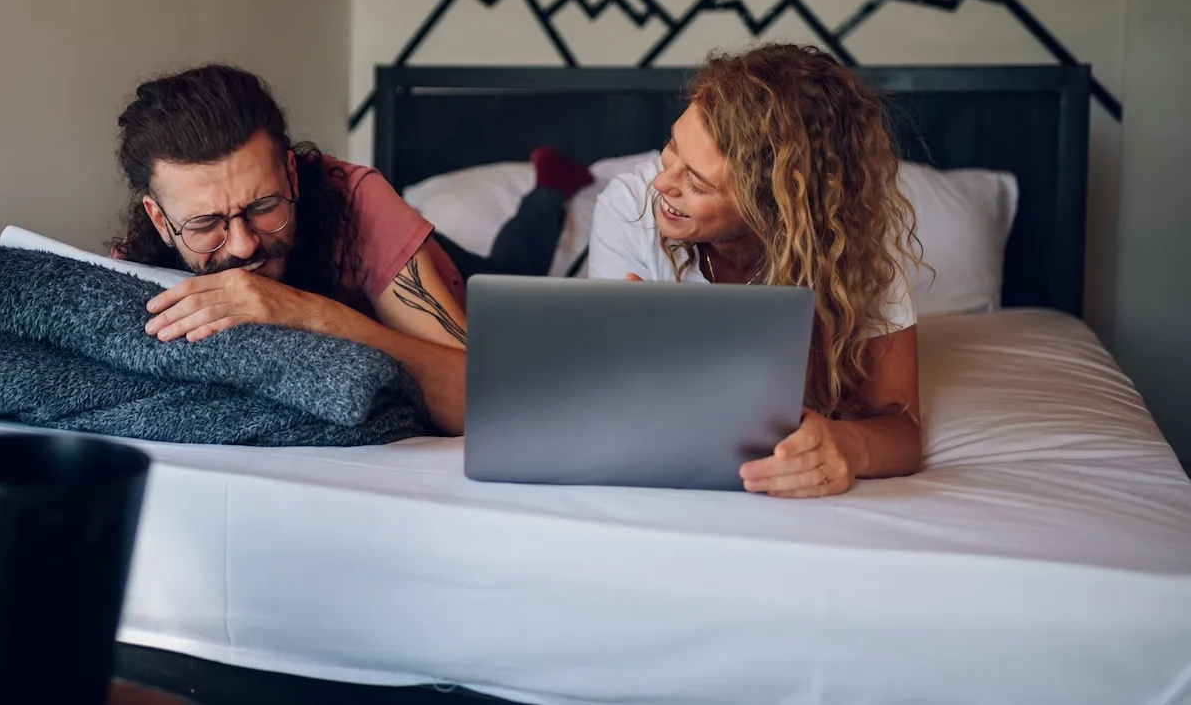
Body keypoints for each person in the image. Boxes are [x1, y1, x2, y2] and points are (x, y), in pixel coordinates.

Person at [110, 63, 589, 435]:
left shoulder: (357, 198)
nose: (242, 244)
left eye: (263, 206)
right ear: (160, 220)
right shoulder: (135, 264)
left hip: (460, 281)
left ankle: (551, 183)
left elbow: (483, 397)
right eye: (206, 223)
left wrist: (311, 315)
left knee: (512, 267)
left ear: (292, 176)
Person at [587, 43, 923, 498]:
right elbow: (610, 403)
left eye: (698, 182)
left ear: (775, 207)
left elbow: (901, 429)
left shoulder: (854, 243)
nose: (662, 184)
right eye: (671, 148)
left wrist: (847, 444)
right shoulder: (629, 207)